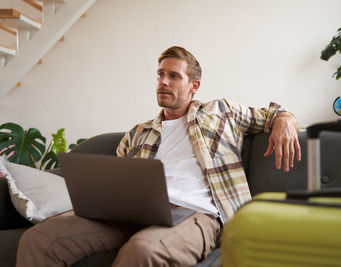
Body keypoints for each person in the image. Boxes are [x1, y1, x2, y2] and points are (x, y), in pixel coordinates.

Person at [17, 46, 301, 267]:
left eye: (173, 75)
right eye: (160, 74)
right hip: (133, 213)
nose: (163, 81)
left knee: (143, 251)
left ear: (194, 85)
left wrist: (285, 119)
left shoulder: (220, 112)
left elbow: (272, 113)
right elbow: (114, 185)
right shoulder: (138, 133)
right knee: (40, 239)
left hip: (195, 212)